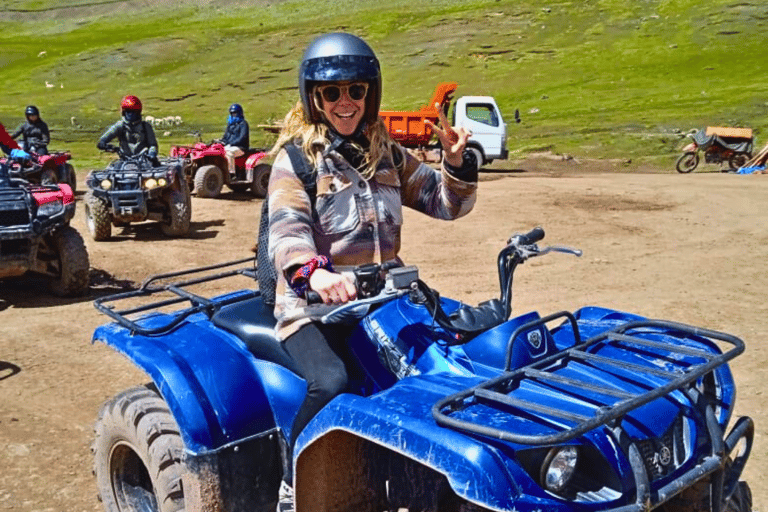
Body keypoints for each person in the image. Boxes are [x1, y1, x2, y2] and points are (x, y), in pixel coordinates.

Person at [266, 32, 477, 512]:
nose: (345, 102)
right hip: (313, 309)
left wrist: (456, 165)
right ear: (315, 98)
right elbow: (287, 230)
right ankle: (292, 483)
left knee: (445, 361)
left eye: (355, 90)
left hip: (384, 299)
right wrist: (315, 275)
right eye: (332, 92)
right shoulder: (297, 160)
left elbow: (445, 204)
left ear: (370, 93)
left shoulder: (387, 154)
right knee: (332, 382)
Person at [97, 95, 160, 165]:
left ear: (138, 112)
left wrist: (152, 154)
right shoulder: (120, 125)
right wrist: (103, 144)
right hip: (125, 161)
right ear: (124, 112)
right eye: (128, 111)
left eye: (133, 111)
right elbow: (105, 137)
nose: (130, 114)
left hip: (144, 161)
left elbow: (152, 144)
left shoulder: (145, 126)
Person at [219, 103, 249, 174]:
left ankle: (231, 173)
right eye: (232, 113)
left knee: (229, 153)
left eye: (235, 113)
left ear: (239, 113)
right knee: (218, 151)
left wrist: (231, 143)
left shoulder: (243, 124)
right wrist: (221, 141)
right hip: (229, 146)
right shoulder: (230, 124)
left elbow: (242, 137)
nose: (233, 115)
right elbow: (226, 136)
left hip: (241, 147)